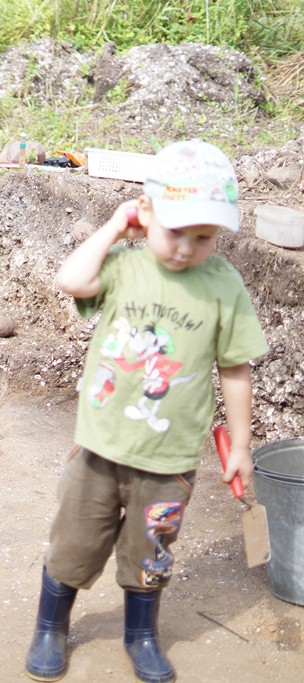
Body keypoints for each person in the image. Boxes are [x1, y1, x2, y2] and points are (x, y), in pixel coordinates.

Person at [24, 140, 269, 683]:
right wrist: (114, 228)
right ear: (146, 211)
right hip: (100, 449)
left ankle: (141, 634)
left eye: (202, 237)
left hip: (170, 459)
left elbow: (235, 369)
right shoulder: (123, 265)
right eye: (173, 231)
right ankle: (51, 625)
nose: (184, 249)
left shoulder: (223, 284)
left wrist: (243, 446)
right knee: (73, 542)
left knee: (151, 551)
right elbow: (72, 281)